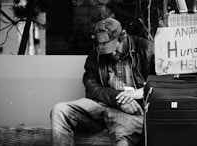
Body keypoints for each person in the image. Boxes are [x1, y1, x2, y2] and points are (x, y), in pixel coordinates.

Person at [51, 17, 155, 146]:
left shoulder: (147, 49)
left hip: (133, 112)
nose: (111, 53)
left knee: (122, 135)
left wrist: (141, 92)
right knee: (60, 110)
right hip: (104, 106)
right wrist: (118, 99)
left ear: (122, 36)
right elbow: (91, 88)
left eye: (114, 48)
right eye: (105, 49)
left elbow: (166, 83)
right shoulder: (96, 56)